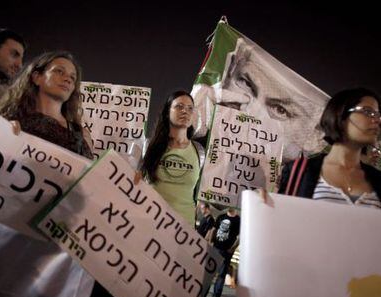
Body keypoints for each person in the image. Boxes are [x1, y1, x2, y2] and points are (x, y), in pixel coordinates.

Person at [0, 51, 95, 297]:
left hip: (50, 242)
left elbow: (91, 183)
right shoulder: (10, 120)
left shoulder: (80, 133)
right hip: (5, 233)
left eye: (72, 77)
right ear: (36, 77)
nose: (67, 79)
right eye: (58, 71)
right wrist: (3, 137)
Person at [193, 37, 330, 161]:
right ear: (230, 70)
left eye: (280, 110)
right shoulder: (194, 145)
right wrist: (187, 126)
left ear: (315, 138)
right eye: (246, 83)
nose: (249, 113)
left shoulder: (314, 182)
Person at [278, 87, 381, 207]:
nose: (377, 120)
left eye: (378, 115)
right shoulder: (300, 171)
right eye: (368, 112)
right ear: (341, 115)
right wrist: (262, 203)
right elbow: (283, 216)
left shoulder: (378, 179)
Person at [139, 90, 205, 226]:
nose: (185, 111)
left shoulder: (200, 152)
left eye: (190, 108)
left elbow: (212, 196)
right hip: (150, 223)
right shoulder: (148, 147)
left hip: (183, 231)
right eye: (179, 106)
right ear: (167, 112)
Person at [207, 206, 240, 297]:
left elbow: (240, 236)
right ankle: (203, 292)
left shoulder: (238, 220)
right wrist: (210, 242)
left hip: (226, 251)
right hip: (216, 248)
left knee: (221, 274)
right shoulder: (221, 217)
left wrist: (233, 248)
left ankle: (216, 296)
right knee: (209, 272)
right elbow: (213, 230)